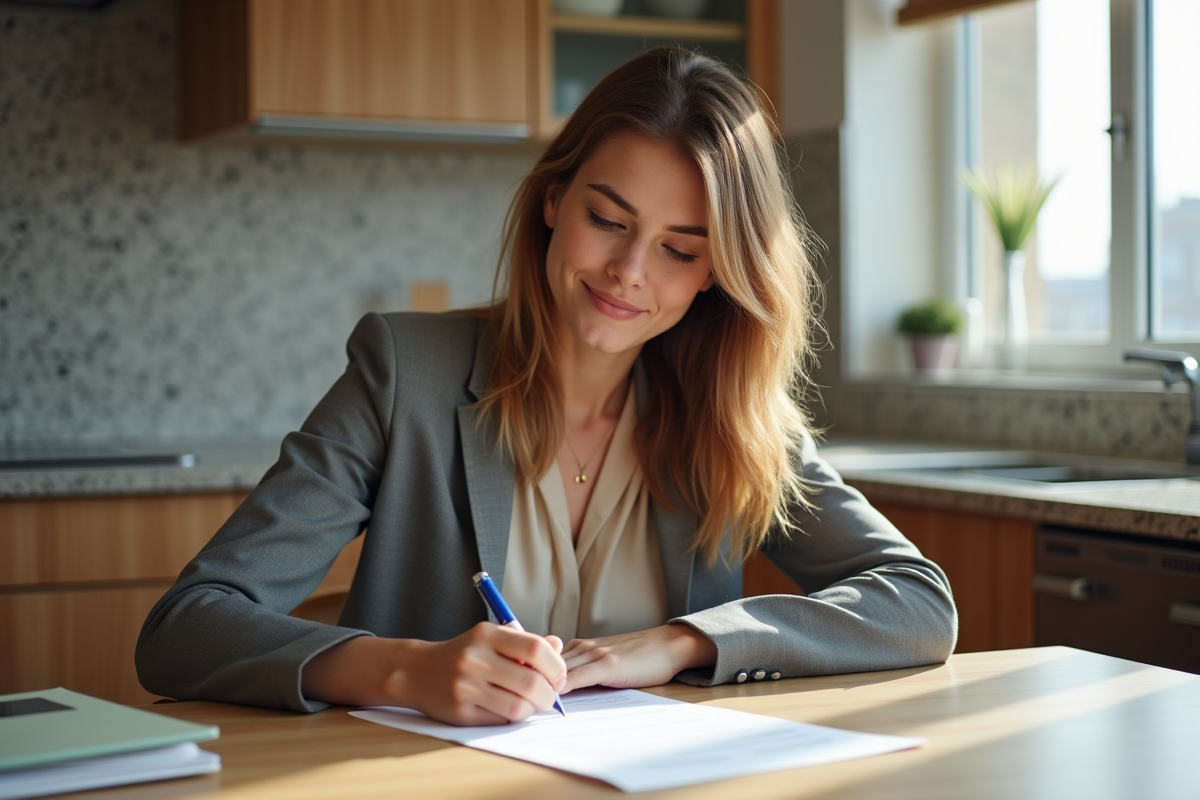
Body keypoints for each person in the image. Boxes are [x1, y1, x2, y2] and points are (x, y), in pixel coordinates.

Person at [136, 47, 956, 725]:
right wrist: (403, 673)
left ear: (717, 273)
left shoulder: (735, 418)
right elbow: (183, 628)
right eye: (609, 219)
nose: (629, 274)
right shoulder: (403, 373)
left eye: (680, 249)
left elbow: (919, 603)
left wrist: (680, 642)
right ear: (555, 201)